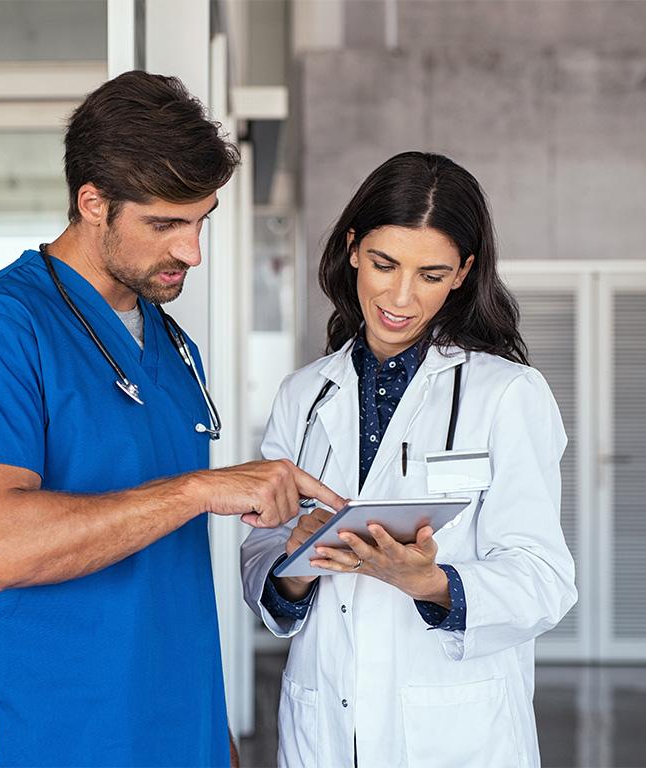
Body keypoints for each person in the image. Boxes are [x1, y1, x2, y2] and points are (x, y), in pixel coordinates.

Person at [0, 70, 343, 768]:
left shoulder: (172, 346)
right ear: (93, 203)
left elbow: (171, 571)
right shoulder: (0, 327)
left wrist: (214, 734)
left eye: (201, 220)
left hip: (181, 732)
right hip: (60, 738)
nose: (191, 251)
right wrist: (199, 490)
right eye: (165, 224)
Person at [241, 152, 577, 767]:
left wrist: (432, 583)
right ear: (351, 249)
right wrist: (298, 561)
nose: (399, 296)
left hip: (457, 734)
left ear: (463, 273)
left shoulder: (507, 394)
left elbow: (545, 578)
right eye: (383, 263)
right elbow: (260, 555)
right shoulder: (304, 394)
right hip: (326, 729)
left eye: (431, 273)